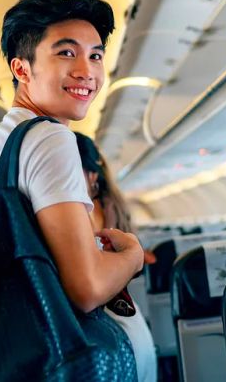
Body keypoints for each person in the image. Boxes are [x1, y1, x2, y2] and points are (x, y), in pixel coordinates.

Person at [0, 0, 144, 315]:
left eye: (96, 56)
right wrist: (133, 256)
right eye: (66, 53)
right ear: (22, 69)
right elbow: (86, 289)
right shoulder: (49, 138)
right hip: (47, 351)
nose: (86, 71)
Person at [75, 132, 158, 382]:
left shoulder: (90, 210)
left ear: (91, 175)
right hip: (127, 315)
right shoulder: (109, 202)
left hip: (111, 319)